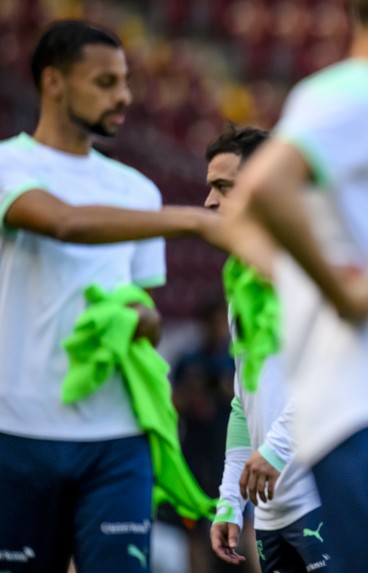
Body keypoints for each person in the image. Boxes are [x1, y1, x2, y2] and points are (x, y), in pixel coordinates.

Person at [219, 0, 368, 571]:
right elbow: (260, 190)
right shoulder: (359, 94)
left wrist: (305, 282)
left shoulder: (367, 104)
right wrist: (338, 291)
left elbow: (236, 220)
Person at [0, 20, 218, 573]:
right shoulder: (9, 165)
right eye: (104, 82)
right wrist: (195, 221)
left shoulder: (136, 190)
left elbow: (147, 315)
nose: (124, 96)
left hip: (116, 440)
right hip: (18, 433)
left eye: (124, 81)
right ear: (53, 82)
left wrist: (139, 320)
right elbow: (66, 223)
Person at [203, 124, 329, 573]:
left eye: (224, 187)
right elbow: (244, 400)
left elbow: (332, 373)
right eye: (210, 188)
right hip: (272, 513)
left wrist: (275, 450)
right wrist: (230, 502)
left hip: (325, 498)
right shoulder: (240, 277)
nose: (210, 202)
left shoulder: (306, 263)